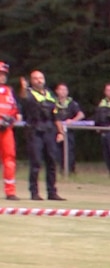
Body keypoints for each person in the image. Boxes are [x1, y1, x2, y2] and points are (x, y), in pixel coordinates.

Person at [18, 70, 65, 201]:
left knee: (51, 161)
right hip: (34, 131)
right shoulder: (28, 93)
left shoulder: (50, 94)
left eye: (41, 78)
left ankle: (52, 192)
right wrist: (22, 87)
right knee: (36, 162)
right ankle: (34, 192)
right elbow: (22, 98)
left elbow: (56, 115)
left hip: (49, 130)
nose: (39, 80)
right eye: (36, 78)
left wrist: (60, 131)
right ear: (31, 81)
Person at [0, 62, 21, 200]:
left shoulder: (9, 90)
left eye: (4, 74)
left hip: (6, 129)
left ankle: (10, 191)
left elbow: (14, 109)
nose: (2, 77)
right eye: (0, 74)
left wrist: (15, 116)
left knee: (10, 159)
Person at [54, 83, 85, 174]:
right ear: (57, 91)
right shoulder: (53, 103)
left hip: (68, 131)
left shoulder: (72, 103)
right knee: (57, 151)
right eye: (61, 89)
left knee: (69, 151)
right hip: (56, 131)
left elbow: (81, 114)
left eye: (65, 90)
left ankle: (70, 170)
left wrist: (72, 120)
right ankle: (60, 170)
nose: (63, 92)